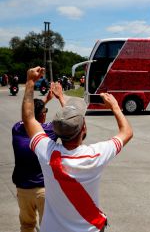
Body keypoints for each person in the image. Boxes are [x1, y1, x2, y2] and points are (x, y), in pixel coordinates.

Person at [21, 66, 133, 232]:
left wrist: (30, 82)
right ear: (84, 129)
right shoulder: (96, 154)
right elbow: (127, 132)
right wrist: (115, 107)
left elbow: (29, 117)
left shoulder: (47, 152)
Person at [12, 82, 65, 232]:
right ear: (42, 115)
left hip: (22, 189)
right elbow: (69, 120)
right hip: (43, 189)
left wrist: (44, 102)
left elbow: (29, 117)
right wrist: (60, 97)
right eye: (45, 111)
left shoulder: (16, 128)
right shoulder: (49, 130)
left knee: (26, 226)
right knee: (48, 227)